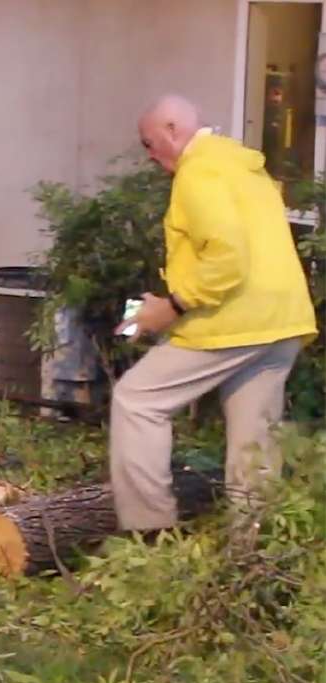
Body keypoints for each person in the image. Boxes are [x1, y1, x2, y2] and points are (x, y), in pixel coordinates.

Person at [109, 94, 318, 532]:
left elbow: (226, 258)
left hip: (236, 320)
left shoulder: (197, 172)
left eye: (149, 143)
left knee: (138, 401)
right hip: (282, 321)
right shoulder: (244, 167)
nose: (149, 156)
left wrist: (170, 308)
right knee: (254, 446)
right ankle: (253, 556)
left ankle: (150, 533)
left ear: (172, 130)